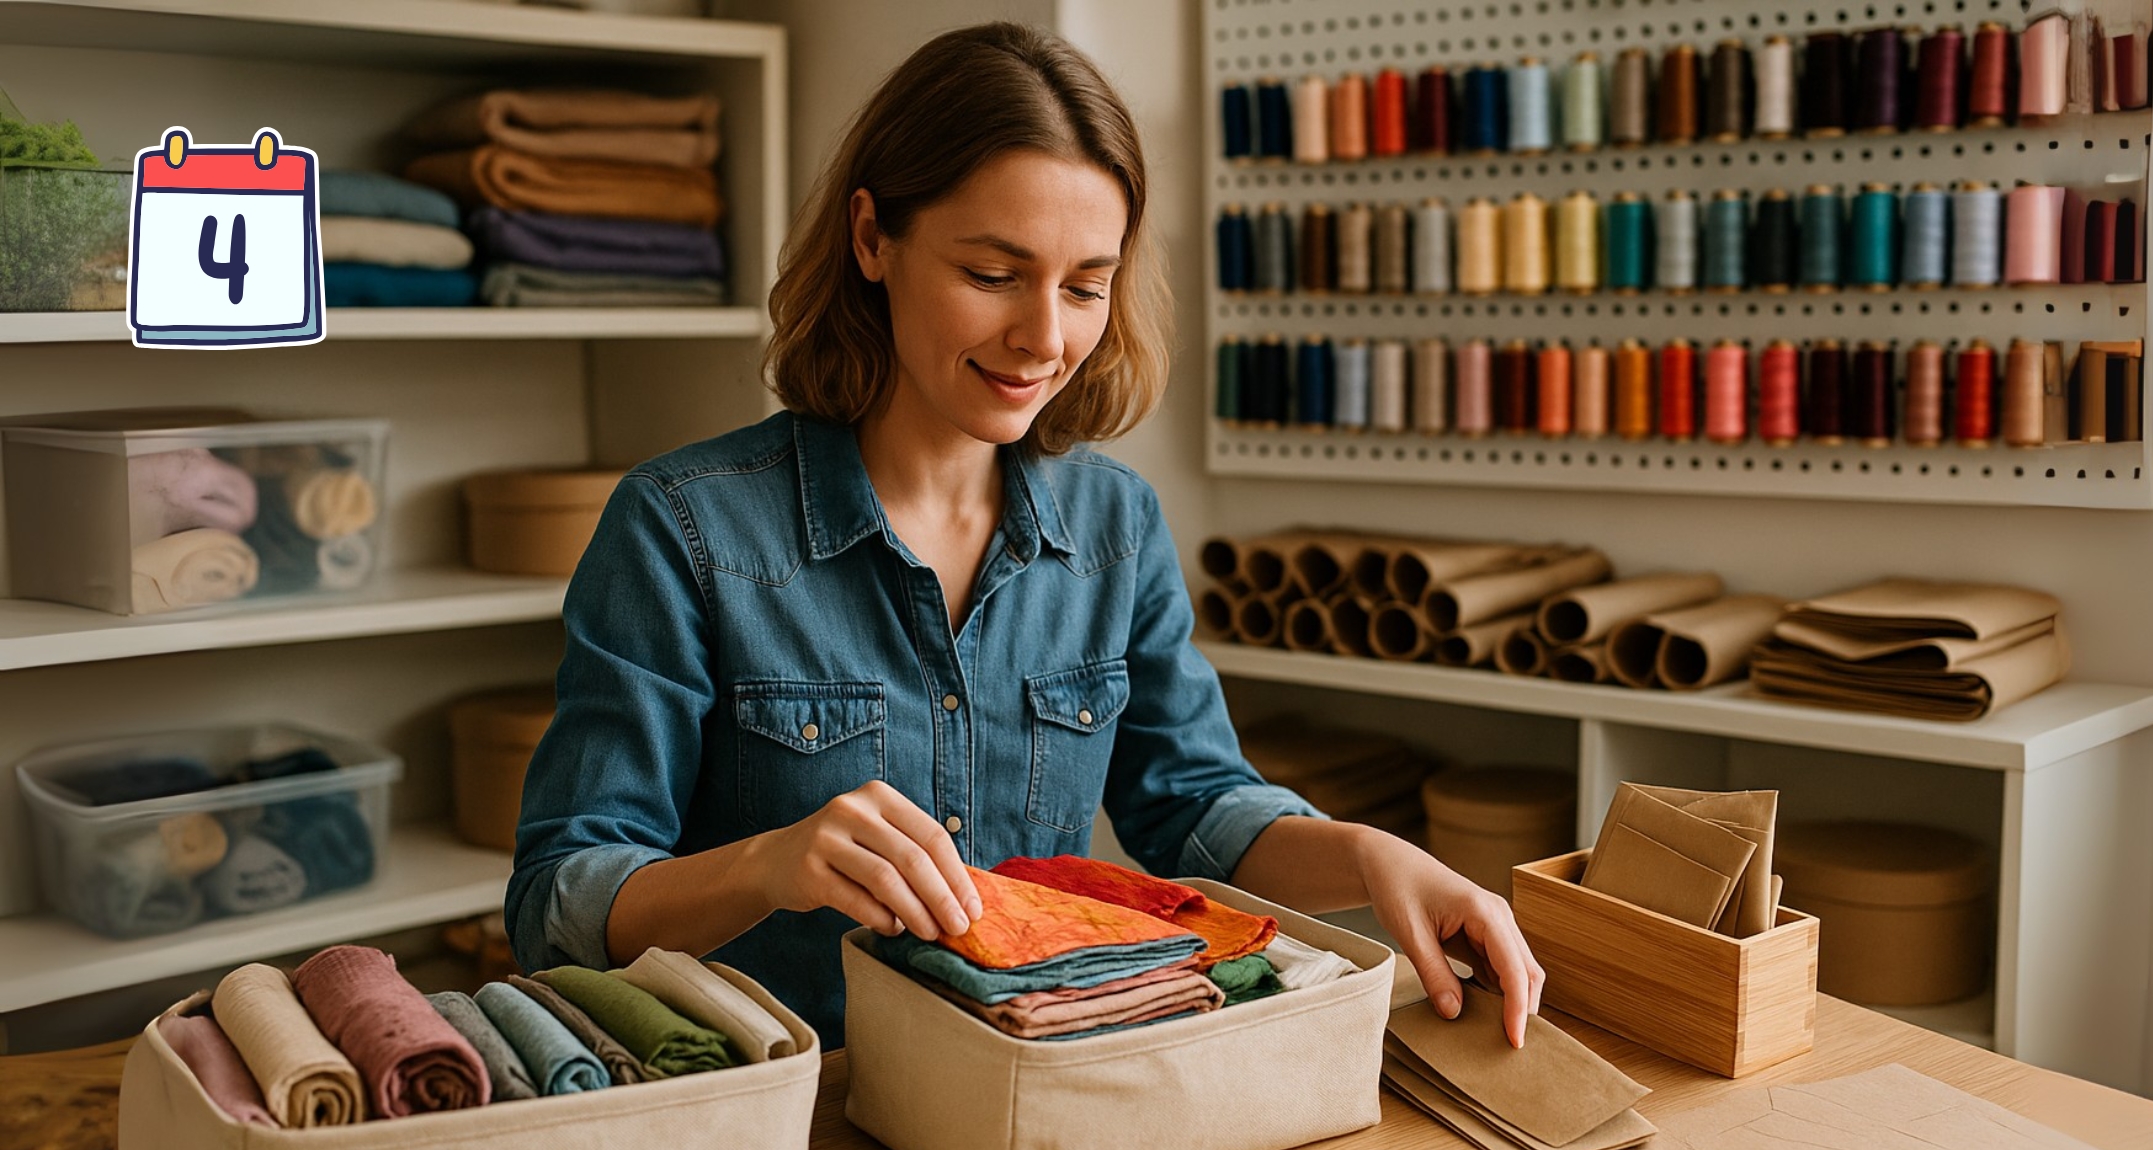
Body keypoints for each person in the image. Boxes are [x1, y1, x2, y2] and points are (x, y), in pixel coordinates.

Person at [506, 22, 1544, 1050]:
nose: (1045, 339)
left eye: (1085, 285)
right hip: (791, 1115)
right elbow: (560, 898)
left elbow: (1194, 804)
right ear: (872, 238)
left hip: (1032, 1096)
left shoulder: (1113, 525)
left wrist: (1376, 858)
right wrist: (769, 864)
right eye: (994, 275)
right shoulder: (683, 527)